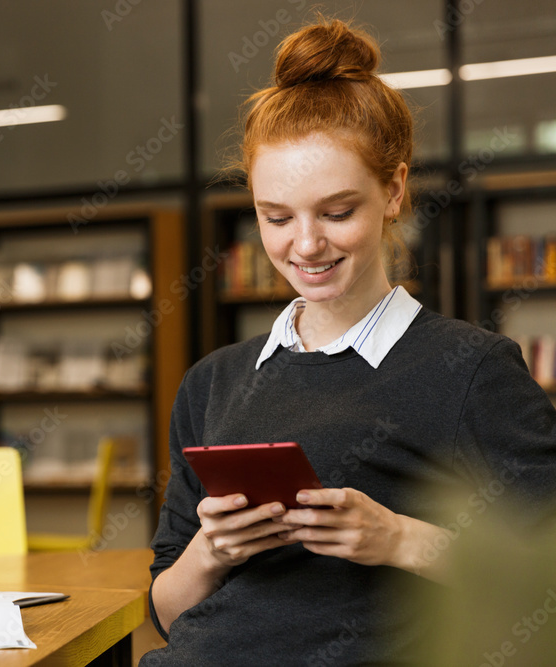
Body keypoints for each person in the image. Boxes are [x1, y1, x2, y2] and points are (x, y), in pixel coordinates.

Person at [141, 16, 556, 666]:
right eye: (276, 217)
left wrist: (397, 538)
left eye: (337, 212)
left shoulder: (470, 369)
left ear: (393, 190)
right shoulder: (212, 381)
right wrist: (211, 550)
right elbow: (167, 612)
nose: (305, 244)